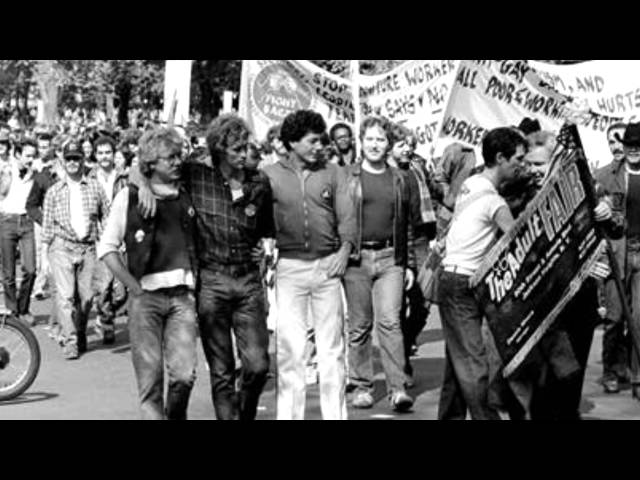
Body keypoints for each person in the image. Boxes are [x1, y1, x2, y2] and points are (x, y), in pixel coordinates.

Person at [134, 115, 274, 421]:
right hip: (211, 281)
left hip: (249, 280)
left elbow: (266, 229)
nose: (243, 152)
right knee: (222, 370)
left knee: (258, 365)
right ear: (219, 148)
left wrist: (263, 250)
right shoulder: (196, 174)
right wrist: (142, 184)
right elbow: (148, 163)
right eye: (236, 147)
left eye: (245, 146)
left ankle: (244, 413)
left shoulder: (259, 182)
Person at [98, 126, 199, 420]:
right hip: (146, 300)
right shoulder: (129, 199)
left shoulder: (186, 193)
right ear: (152, 163)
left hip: (182, 298)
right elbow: (107, 248)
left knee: (184, 375)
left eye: (179, 156)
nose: (177, 162)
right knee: (150, 382)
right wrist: (133, 286)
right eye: (170, 157)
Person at [263, 109, 356, 420]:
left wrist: (344, 251)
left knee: (332, 352)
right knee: (291, 352)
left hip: (327, 268)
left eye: (322, 140)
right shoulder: (270, 175)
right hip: (289, 268)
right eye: (313, 141)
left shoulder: (334, 173)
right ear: (292, 142)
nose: (320, 146)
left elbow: (347, 217)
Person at [437, 127, 527, 420]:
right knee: (474, 365)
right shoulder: (495, 202)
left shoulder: (471, 182)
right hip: (463, 282)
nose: (522, 166)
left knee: (458, 359)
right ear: (500, 158)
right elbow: (519, 240)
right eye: (518, 159)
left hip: (454, 279)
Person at [343, 116, 422, 412]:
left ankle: (397, 388)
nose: (375, 144)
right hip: (356, 260)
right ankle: (362, 386)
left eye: (380, 139)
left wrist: (410, 264)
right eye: (370, 139)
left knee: (390, 322)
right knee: (360, 325)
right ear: (361, 142)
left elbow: (409, 226)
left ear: (388, 144)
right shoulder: (347, 176)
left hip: (392, 259)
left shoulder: (401, 178)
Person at [42, 141, 109, 359]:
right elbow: (47, 226)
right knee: (65, 297)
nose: (72, 163)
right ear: (63, 161)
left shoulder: (94, 187)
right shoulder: (54, 191)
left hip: (87, 246)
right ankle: (69, 341)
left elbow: (106, 214)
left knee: (87, 297)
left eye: (76, 158)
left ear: (83, 160)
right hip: (61, 246)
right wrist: (44, 257)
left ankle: (80, 331)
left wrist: (108, 242)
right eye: (69, 159)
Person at [388, 123, 437, 386]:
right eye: (401, 144)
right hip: (396, 243)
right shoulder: (386, 174)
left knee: (423, 302)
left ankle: (405, 347)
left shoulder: (417, 168)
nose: (407, 149)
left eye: (410, 144)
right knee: (396, 307)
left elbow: (436, 195)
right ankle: (399, 366)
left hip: (421, 239)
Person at [596, 122, 640, 400]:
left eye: (639, 145)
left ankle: (637, 377)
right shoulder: (605, 175)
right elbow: (590, 215)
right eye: (629, 144)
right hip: (617, 253)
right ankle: (611, 370)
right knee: (614, 317)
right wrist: (600, 211)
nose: (634, 149)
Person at [90, 135, 128, 344]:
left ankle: (107, 314)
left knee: (122, 290)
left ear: (114, 155)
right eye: (101, 153)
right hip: (100, 237)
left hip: (121, 237)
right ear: (95, 156)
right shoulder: (90, 178)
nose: (105, 157)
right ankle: (106, 322)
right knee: (104, 286)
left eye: (108, 153)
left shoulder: (123, 178)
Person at [0, 140, 37, 325]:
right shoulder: (6, 170)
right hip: (7, 220)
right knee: (8, 273)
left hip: (26, 222)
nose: (31, 159)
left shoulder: (34, 174)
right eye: (27, 155)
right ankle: (13, 311)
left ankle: (24, 308)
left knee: (30, 269)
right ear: (17, 155)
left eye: (33, 155)